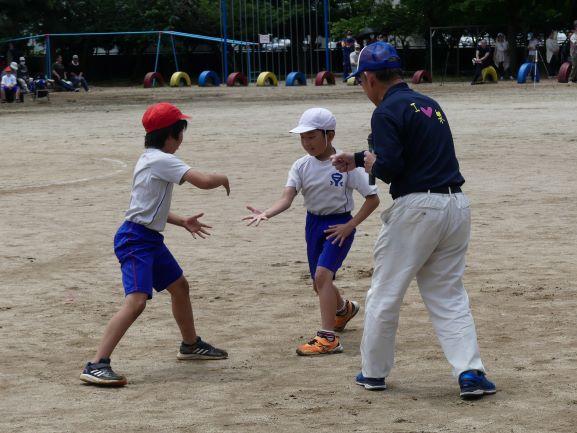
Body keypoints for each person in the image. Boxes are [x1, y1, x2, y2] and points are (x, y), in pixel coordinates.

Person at [332, 42, 496, 399]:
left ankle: (373, 372)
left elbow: (390, 167)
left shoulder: (385, 110)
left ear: (371, 77)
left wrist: (370, 162)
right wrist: (359, 157)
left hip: (418, 208)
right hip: (455, 205)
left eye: (361, 81)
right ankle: (471, 372)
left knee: (385, 293)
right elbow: (416, 152)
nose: (363, 89)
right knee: (448, 294)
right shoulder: (429, 104)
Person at [80, 102, 231, 386]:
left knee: (179, 286)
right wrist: (221, 179)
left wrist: (182, 220)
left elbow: (147, 210)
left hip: (147, 237)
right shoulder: (163, 160)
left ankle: (190, 344)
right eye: (179, 132)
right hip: (136, 241)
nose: (181, 139)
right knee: (136, 301)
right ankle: (96, 363)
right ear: (171, 135)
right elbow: (203, 181)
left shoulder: (149, 157)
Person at [243, 108, 379, 356]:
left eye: (312, 137)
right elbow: (287, 198)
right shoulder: (300, 166)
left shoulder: (346, 163)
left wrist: (350, 226)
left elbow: (372, 199)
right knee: (319, 284)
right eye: (303, 138)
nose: (307, 143)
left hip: (339, 226)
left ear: (330, 135)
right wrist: (266, 213)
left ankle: (328, 338)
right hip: (312, 225)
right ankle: (344, 309)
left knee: (322, 277)